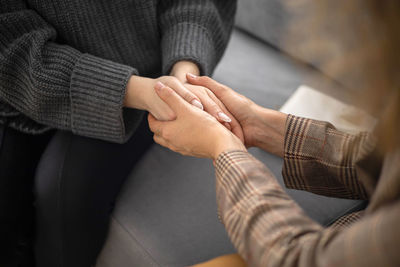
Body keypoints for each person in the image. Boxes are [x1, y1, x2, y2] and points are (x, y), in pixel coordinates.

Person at [0, 1, 240, 266]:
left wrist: (184, 72)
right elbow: (13, 52)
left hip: (152, 74)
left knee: (64, 193)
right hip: (19, 94)